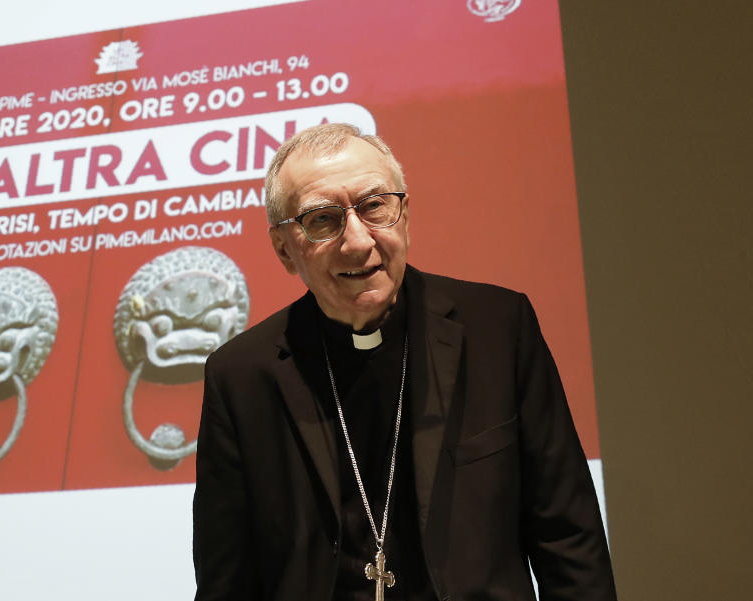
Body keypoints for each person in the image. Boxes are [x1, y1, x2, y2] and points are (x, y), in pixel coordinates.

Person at [192, 123, 616, 601]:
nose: (357, 241)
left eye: (374, 206)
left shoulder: (497, 328)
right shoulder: (241, 376)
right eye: (322, 220)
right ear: (284, 250)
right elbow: (226, 581)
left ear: (404, 214)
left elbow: (568, 535)